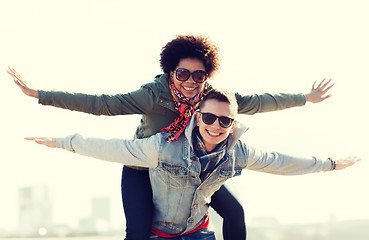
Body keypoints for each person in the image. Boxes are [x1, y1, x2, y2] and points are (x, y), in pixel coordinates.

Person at [8, 34, 334, 240]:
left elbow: (260, 101)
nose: (191, 82)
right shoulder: (152, 95)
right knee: (137, 232)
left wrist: (306, 97)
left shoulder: (214, 99)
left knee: (235, 213)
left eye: (199, 75)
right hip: (145, 165)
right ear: (170, 73)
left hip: (190, 167)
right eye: (183, 74)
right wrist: (39, 94)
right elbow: (101, 104)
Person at [26, 88, 359, 240]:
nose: (216, 125)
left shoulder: (237, 152)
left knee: (235, 212)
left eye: (225, 121)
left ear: (233, 123)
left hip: (199, 234)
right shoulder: (163, 147)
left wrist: (329, 164)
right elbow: (113, 147)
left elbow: (279, 162)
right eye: (210, 118)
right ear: (197, 117)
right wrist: (63, 142)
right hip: (159, 234)